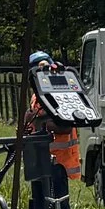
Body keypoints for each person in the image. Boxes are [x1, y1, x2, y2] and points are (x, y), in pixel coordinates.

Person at [19, 49, 81, 184]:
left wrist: (37, 122)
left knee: (59, 202)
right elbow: (31, 118)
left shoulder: (61, 94)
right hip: (40, 162)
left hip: (60, 166)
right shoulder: (36, 96)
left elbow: (65, 127)